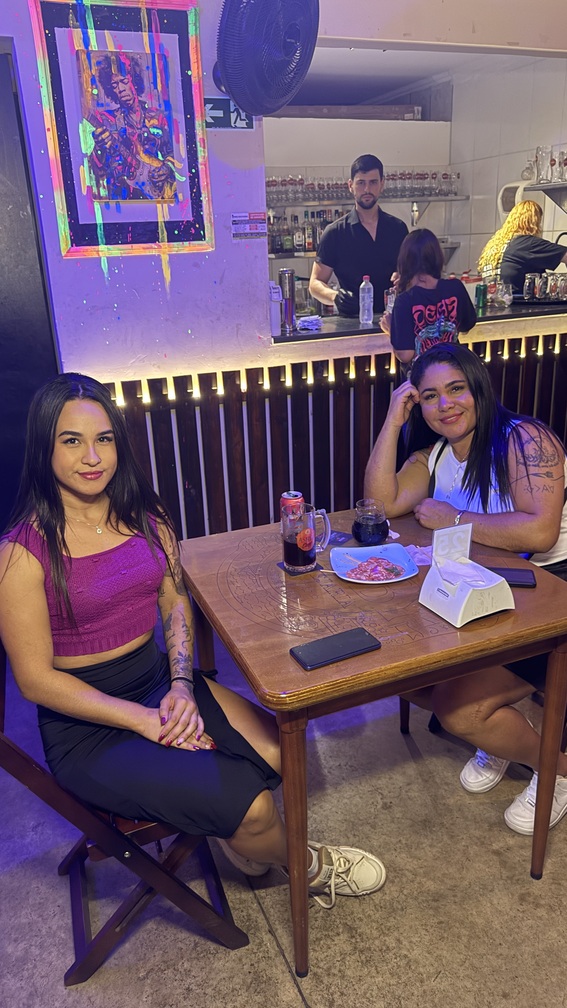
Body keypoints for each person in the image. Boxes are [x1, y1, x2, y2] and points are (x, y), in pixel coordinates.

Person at [0, 373, 386, 910]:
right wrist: (144, 720)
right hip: (86, 726)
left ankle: (233, 830)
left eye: (104, 438)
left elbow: (173, 600)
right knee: (255, 808)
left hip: (157, 679)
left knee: (283, 753)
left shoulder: (145, 518)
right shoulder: (21, 552)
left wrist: (180, 685)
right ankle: (308, 863)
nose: (92, 457)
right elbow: (35, 681)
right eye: (72, 441)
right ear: (44, 447)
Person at [364, 343, 567, 835]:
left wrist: (453, 517)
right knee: (399, 672)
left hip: (551, 588)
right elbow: (379, 504)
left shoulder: (525, 439)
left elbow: (541, 533)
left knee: (460, 711)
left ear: (478, 388)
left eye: (456, 389)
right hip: (485, 586)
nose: (445, 404)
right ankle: (503, 740)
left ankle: (557, 771)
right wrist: (392, 420)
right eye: (430, 396)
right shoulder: (434, 454)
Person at [308, 154, 408, 317]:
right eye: (361, 183)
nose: (367, 189)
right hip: (352, 323)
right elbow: (315, 283)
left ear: (382, 184)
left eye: (373, 182)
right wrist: (335, 297)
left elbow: (412, 273)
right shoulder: (335, 233)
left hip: (393, 321)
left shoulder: (398, 229)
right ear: (350, 185)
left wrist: (404, 278)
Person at [88, 53, 178, 201]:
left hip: (159, 196)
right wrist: (99, 148)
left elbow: (174, 154)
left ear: (134, 81)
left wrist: (167, 168)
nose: (121, 89)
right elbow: (97, 169)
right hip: (123, 199)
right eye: (114, 85)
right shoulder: (107, 120)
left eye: (124, 81)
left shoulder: (157, 118)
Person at [380, 228, 477, 365]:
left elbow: (405, 355)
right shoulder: (456, 287)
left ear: (404, 261)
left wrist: (391, 329)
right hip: (453, 369)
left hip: (423, 375)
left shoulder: (405, 300)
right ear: (437, 257)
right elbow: (467, 324)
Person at [478, 200, 567, 294]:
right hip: (515, 302)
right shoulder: (528, 243)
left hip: (489, 300)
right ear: (534, 222)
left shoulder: (494, 245)